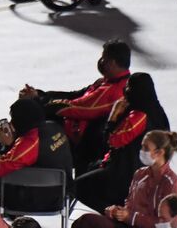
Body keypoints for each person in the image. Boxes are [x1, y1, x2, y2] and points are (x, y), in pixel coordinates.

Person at [65, 128, 177, 228]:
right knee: (85, 223)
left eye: (145, 148)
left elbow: (167, 225)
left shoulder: (171, 184)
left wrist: (131, 217)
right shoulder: (140, 174)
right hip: (128, 227)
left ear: (159, 152)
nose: (141, 151)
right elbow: (129, 202)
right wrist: (117, 212)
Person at [72, 72, 171, 213]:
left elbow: (112, 141)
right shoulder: (157, 112)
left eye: (129, 87)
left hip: (126, 172)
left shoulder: (138, 116)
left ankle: (116, 216)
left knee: (78, 186)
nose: (125, 91)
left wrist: (112, 117)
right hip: (141, 169)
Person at [21, 39, 133, 155]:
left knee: (30, 115)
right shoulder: (107, 81)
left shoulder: (114, 90)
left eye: (104, 58)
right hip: (73, 127)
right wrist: (40, 94)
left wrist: (36, 101)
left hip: (78, 140)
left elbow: (74, 107)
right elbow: (74, 95)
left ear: (112, 63)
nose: (101, 62)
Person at [0, 97, 76, 194]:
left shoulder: (30, 142)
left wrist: (5, 145)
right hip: (64, 194)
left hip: (39, 201)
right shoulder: (55, 127)